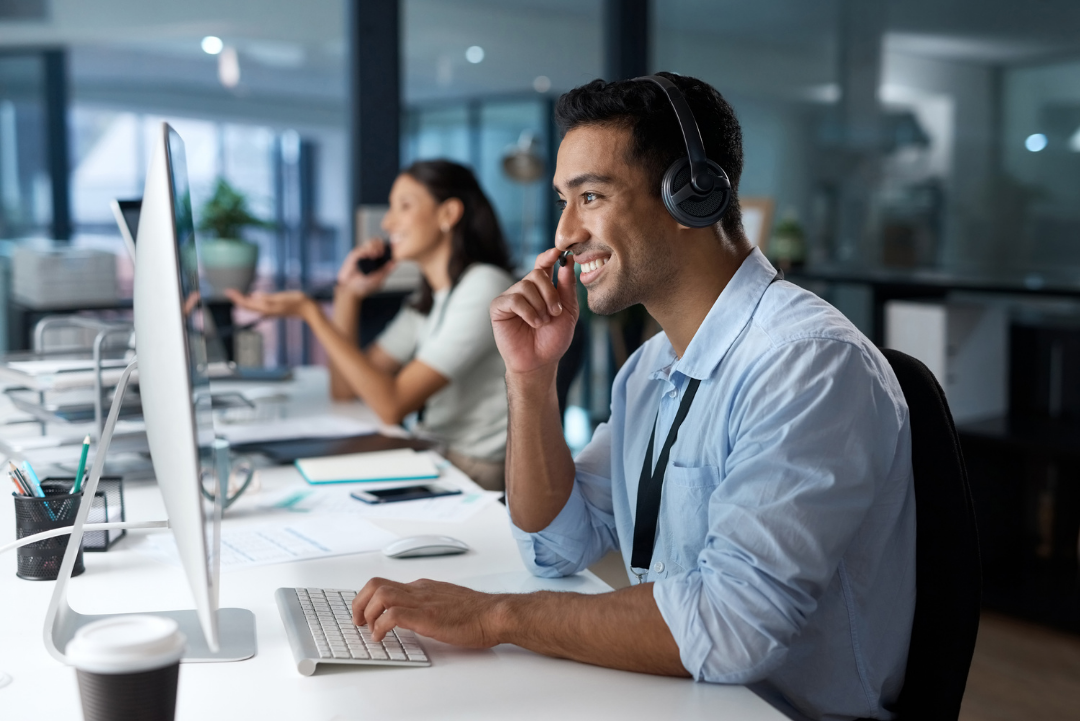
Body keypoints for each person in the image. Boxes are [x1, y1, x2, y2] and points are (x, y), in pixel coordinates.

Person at [348, 74, 916, 721]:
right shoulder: (651, 367)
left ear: (691, 197)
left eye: (590, 196)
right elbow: (554, 546)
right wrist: (531, 380)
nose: (563, 232)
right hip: (674, 691)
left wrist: (495, 614)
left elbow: (732, 627)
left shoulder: (806, 363)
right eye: (563, 200)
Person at [227, 160, 514, 490]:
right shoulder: (430, 297)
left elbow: (391, 405)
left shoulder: (483, 287)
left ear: (448, 214)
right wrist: (348, 295)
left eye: (404, 206)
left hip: (473, 469)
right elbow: (346, 389)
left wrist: (311, 312)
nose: (389, 222)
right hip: (437, 454)